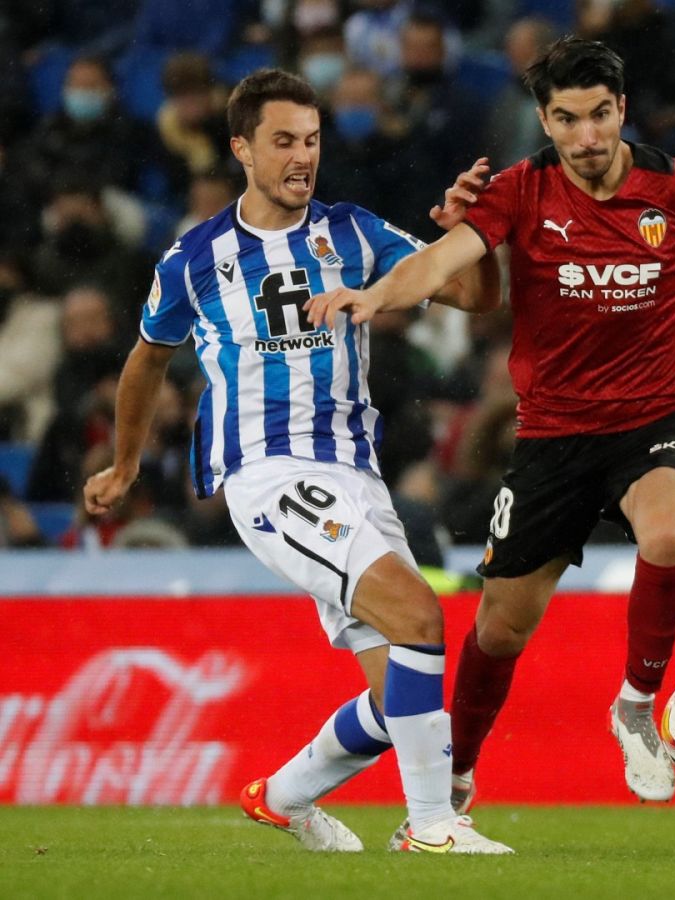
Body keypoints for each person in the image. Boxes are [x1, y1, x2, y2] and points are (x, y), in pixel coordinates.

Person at [306, 37, 675, 807]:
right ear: (544, 119)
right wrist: (377, 296)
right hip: (553, 439)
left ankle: (637, 705)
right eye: (567, 120)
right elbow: (443, 261)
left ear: (622, 112)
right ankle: (459, 771)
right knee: (502, 628)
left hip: (658, 416)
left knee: (668, 533)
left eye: (599, 116)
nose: (586, 138)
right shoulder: (518, 190)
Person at [82, 69, 511, 855]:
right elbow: (147, 360)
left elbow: (480, 299)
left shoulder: (353, 231)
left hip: (355, 472)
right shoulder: (194, 259)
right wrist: (126, 465)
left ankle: (283, 796)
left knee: (402, 696)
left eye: (311, 141)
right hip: (271, 476)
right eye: (283, 141)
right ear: (242, 148)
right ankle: (432, 828)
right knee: (420, 614)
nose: (301, 157)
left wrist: (467, 234)